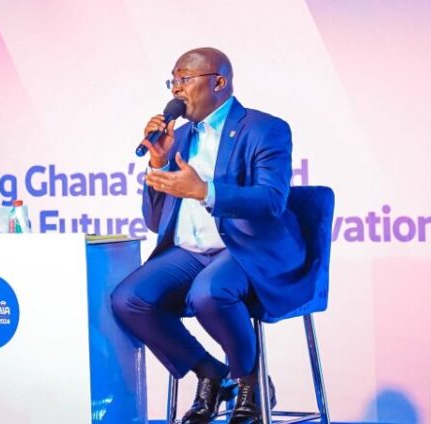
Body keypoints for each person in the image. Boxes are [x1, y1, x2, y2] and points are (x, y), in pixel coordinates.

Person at [111, 47, 312, 424]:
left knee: (209, 292)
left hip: (245, 248)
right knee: (129, 299)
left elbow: (272, 200)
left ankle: (250, 381)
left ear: (218, 82)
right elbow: (154, 221)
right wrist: (159, 163)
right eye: (173, 81)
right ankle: (211, 374)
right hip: (190, 252)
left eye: (185, 79)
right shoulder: (178, 137)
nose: (176, 89)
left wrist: (206, 191)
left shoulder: (264, 129)